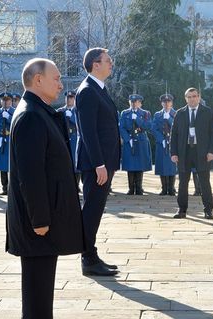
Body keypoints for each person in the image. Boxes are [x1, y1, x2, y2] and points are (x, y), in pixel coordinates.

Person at [6, 58, 83, 319]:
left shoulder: (39, 112)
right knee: (36, 287)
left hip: (45, 217)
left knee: (42, 285)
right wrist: (40, 219)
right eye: (56, 78)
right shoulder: (30, 117)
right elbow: (30, 175)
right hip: (36, 222)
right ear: (37, 80)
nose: (61, 84)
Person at [75, 47, 120, 276]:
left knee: (96, 209)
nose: (111, 63)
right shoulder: (87, 91)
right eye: (107, 60)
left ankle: (91, 254)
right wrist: (99, 164)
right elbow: (88, 132)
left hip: (104, 162)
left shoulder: (98, 89)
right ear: (95, 65)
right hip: (97, 165)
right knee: (91, 210)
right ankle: (88, 259)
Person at [170, 87, 213, 219]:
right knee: (183, 183)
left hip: (202, 152)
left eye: (194, 96)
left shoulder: (207, 112)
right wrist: (173, 153)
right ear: (186, 99)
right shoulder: (180, 113)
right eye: (189, 97)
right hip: (184, 152)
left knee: (204, 182)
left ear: (199, 97)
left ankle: (208, 210)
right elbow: (174, 135)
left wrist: (211, 151)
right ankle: (182, 210)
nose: (192, 99)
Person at [119, 94, 152, 195]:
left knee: (140, 165)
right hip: (130, 141)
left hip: (141, 140)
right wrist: (128, 139)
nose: (134, 104)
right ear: (129, 102)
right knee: (130, 165)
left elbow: (148, 126)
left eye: (136, 102)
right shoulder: (125, 113)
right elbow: (122, 127)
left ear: (140, 103)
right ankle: (131, 188)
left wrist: (137, 118)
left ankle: (139, 188)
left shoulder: (145, 113)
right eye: (132, 102)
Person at [151, 94, 177, 195]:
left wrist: (169, 119)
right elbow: (154, 128)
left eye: (168, 102)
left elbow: (178, 128)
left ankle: (171, 188)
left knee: (171, 166)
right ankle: (164, 188)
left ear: (171, 103)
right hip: (161, 143)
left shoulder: (176, 114)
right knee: (162, 166)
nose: (166, 104)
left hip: (172, 143)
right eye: (164, 102)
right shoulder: (158, 114)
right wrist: (161, 139)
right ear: (161, 103)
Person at [57, 90, 81, 190]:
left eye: (71, 98)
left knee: (76, 164)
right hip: (64, 139)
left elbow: (79, 123)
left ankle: (76, 185)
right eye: (67, 97)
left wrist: (71, 117)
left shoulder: (78, 110)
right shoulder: (60, 111)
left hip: (75, 139)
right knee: (65, 163)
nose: (69, 100)